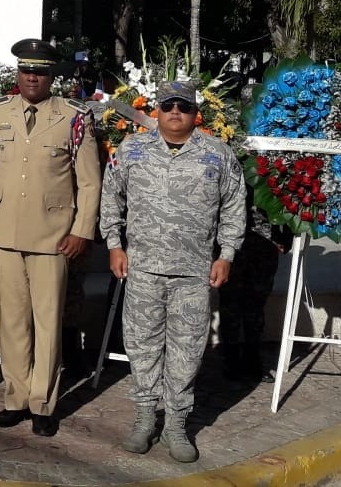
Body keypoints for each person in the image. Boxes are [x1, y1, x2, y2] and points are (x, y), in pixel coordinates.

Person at [100, 80, 245, 463]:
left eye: (182, 105)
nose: (175, 112)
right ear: (157, 111)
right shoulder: (132, 150)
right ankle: (146, 416)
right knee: (142, 345)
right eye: (167, 106)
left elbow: (233, 206)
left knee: (187, 350)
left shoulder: (217, 154)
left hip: (193, 272)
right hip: (143, 268)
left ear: (196, 112)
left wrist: (226, 254)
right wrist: (114, 245)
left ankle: (177, 424)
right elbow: (111, 197)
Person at [0, 39, 101, 436]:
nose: (32, 77)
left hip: (52, 237)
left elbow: (90, 181)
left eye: (41, 71)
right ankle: (16, 397)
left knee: (47, 323)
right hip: (6, 233)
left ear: (51, 76)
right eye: (26, 70)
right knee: (10, 322)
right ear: (17, 73)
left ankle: (43, 402)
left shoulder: (73, 116)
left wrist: (82, 230)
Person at [218, 192, 286, 383]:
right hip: (232, 240)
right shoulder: (231, 163)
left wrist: (285, 234)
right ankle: (230, 359)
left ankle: (252, 359)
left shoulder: (271, 162)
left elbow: (286, 197)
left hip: (266, 240)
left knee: (257, 303)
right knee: (230, 302)